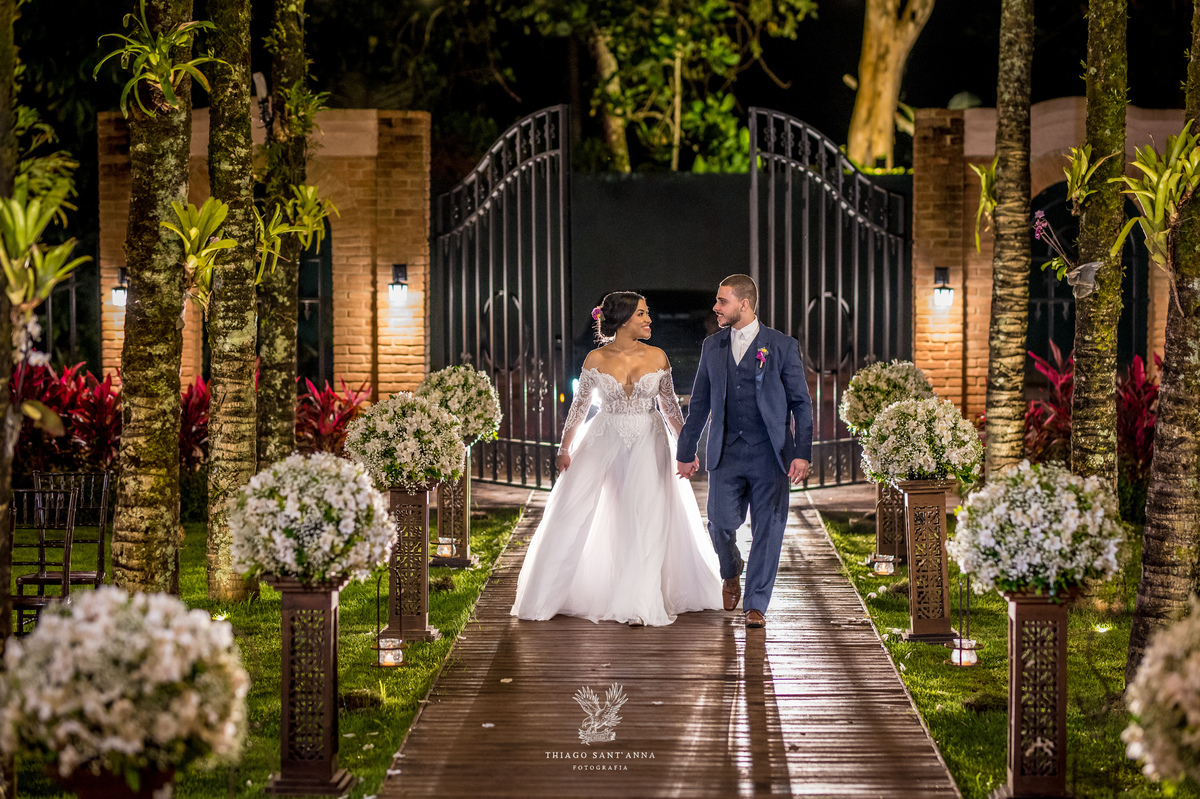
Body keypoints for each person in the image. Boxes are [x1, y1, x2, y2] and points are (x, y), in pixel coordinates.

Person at [510, 291, 723, 627]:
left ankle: (640, 599)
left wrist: (686, 449)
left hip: (649, 442)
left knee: (646, 514)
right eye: (642, 314)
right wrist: (565, 449)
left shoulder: (658, 357)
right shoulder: (595, 359)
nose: (648, 319)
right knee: (576, 511)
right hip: (603, 437)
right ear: (624, 320)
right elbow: (579, 408)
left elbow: (669, 408)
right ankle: (555, 590)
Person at [676, 275, 814, 630]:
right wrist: (686, 449)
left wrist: (802, 453)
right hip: (726, 453)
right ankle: (730, 568)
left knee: (769, 529)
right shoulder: (713, 347)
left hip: (772, 454)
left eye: (722, 301)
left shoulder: (781, 346)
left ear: (744, 304)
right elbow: (701, 404)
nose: (716, 307)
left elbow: (801, 403)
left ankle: (755, 604)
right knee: (720, 523)